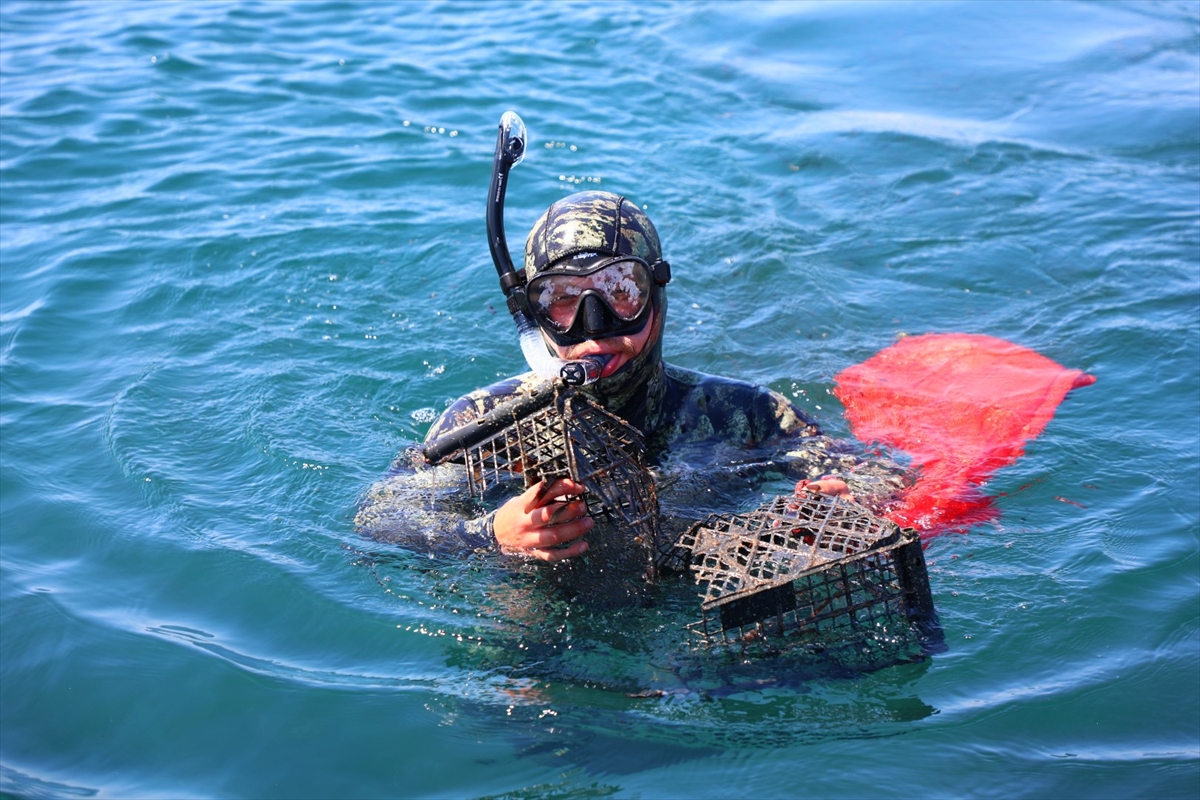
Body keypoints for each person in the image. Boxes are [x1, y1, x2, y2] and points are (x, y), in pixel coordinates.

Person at [356, 190, 908, 561]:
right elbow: (383, 518)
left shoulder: (743, 414)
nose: (594, 328)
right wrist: (488, 534)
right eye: (563, 299)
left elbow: (882, 476)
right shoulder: (482, 424)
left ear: (657, 298)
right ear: (532, 314)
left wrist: (839, 504)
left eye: (621, 291)